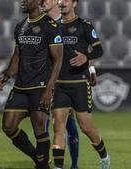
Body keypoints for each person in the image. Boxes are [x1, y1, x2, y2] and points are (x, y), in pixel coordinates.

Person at [0, 0, 63, 168]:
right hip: (20, 87)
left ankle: (41, 165)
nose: (23, 2)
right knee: (8, 127)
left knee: (40, 130)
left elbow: (58, 60)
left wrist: (49, 90)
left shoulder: (50, 25)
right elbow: (17, 55)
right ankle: (40, 161)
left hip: (40, 87)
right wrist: (7, 75)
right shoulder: (21, 25)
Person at [52, 0, 111, 169]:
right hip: (60, 84)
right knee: (58, 127)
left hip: (79, 83)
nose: (61, 3)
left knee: (86, 127)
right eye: (59, 0)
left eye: (65, 0)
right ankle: (58, 167)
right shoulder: (53, 26)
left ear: (74, 3)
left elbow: (99, 50)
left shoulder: (84, 25)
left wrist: (86, 58)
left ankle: (104, 156)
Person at [41, 0, 80, 168]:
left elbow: (82, 49)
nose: (44, 3)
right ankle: (49, 160)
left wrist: (91, 71)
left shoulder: (68, 24)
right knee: (45, 122)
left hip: (65, 82)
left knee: (68, 124)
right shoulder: (43, 25)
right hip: (48, 81)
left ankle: (74, 164)